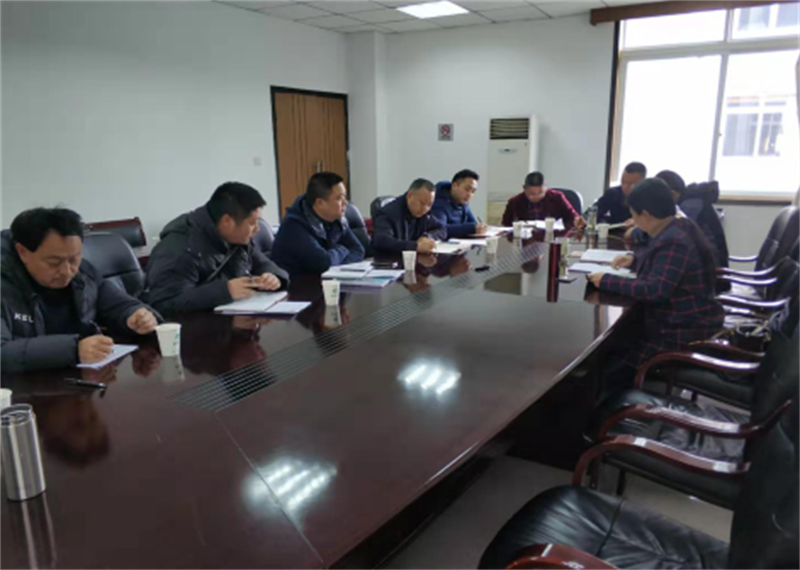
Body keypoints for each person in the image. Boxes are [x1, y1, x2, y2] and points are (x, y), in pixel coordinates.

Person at [587, 179, 724, 392]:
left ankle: (612, 407)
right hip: (684, 320)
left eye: (633, 215)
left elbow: (654, 290)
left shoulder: (673, 241)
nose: (633, 221)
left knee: (608, 368)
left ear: (646, 215)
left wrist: (606, 280)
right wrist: (634, 259)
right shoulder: (678, 225)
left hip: (679, 331)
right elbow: (662, 264)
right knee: (613, 346)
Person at [0, 208, 160, 372]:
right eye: (54, 262)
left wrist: (136, 316)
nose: (66, 271)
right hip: (22, 384)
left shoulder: (83, 274)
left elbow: (121, 305)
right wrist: (73, 350)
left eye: (74, 259)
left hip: (79, 378)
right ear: (23, 252)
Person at [145, 182, 289, 315]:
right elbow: (163, 303)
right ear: (227, 221)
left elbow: (263, 263)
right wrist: (225, 291)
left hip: (229, 321)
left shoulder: (238, 238)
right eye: (252, 223)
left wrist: (273, 277)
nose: (257, 229)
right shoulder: (180, 247)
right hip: (193, 329)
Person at [271, 172, 365, 277]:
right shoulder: (294, 226)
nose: (345, 203)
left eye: (344, 197)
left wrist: (337, 264)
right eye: (339, 198)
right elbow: (323, 263)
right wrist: (343, 249)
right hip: (298, 284)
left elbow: (358, 250)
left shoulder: (336, 219)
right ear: (320, 203)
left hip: (325, 280)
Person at [372, 178, 447, 254]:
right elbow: (382, 241)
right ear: (409, 195)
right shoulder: (388, 213)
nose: (425, 209)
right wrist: (416, 246)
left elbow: (442, 229)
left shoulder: (424, 214)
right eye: (422, 203)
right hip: (391, 259)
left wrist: (427, 236)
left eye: (429, 205)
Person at [501, 171, 584, 229]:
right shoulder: (515, 202)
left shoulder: (557, 197)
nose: (536, 196)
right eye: (532, 194)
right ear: (524, 188)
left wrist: (577, 221)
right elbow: (506, 225)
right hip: (526, 240)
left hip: (553, 237)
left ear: (546, 187)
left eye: (540, 193)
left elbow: (573, 217)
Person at [431, 169, 488, 238]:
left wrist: (479, 227)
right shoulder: (438, 203)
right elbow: (441, 229)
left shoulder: (463, 202)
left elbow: (473, 223)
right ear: (454, 186)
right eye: (467, 189)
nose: (470, 194)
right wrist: (472, 228)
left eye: (473, 191)